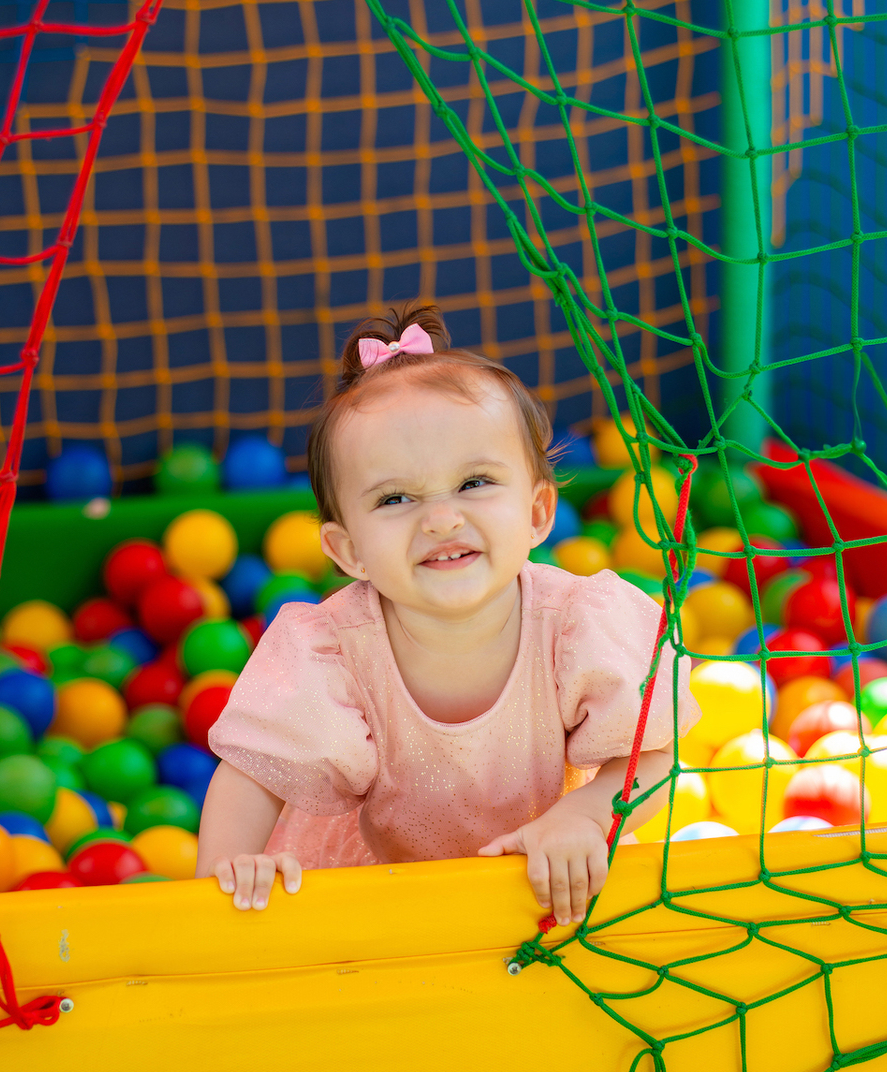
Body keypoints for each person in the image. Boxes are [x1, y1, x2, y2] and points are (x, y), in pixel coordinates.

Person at [196, 304, 698, 926]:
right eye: (396, 498)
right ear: (349, 550)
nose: (441, 518)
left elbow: (653, 755)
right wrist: (224, 872)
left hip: (535, 879)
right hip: (381, 893)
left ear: (539, 512)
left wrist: (589, 813)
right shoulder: (331, 650)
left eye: (475, 483)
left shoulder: (576, 623)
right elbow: (255, 776)